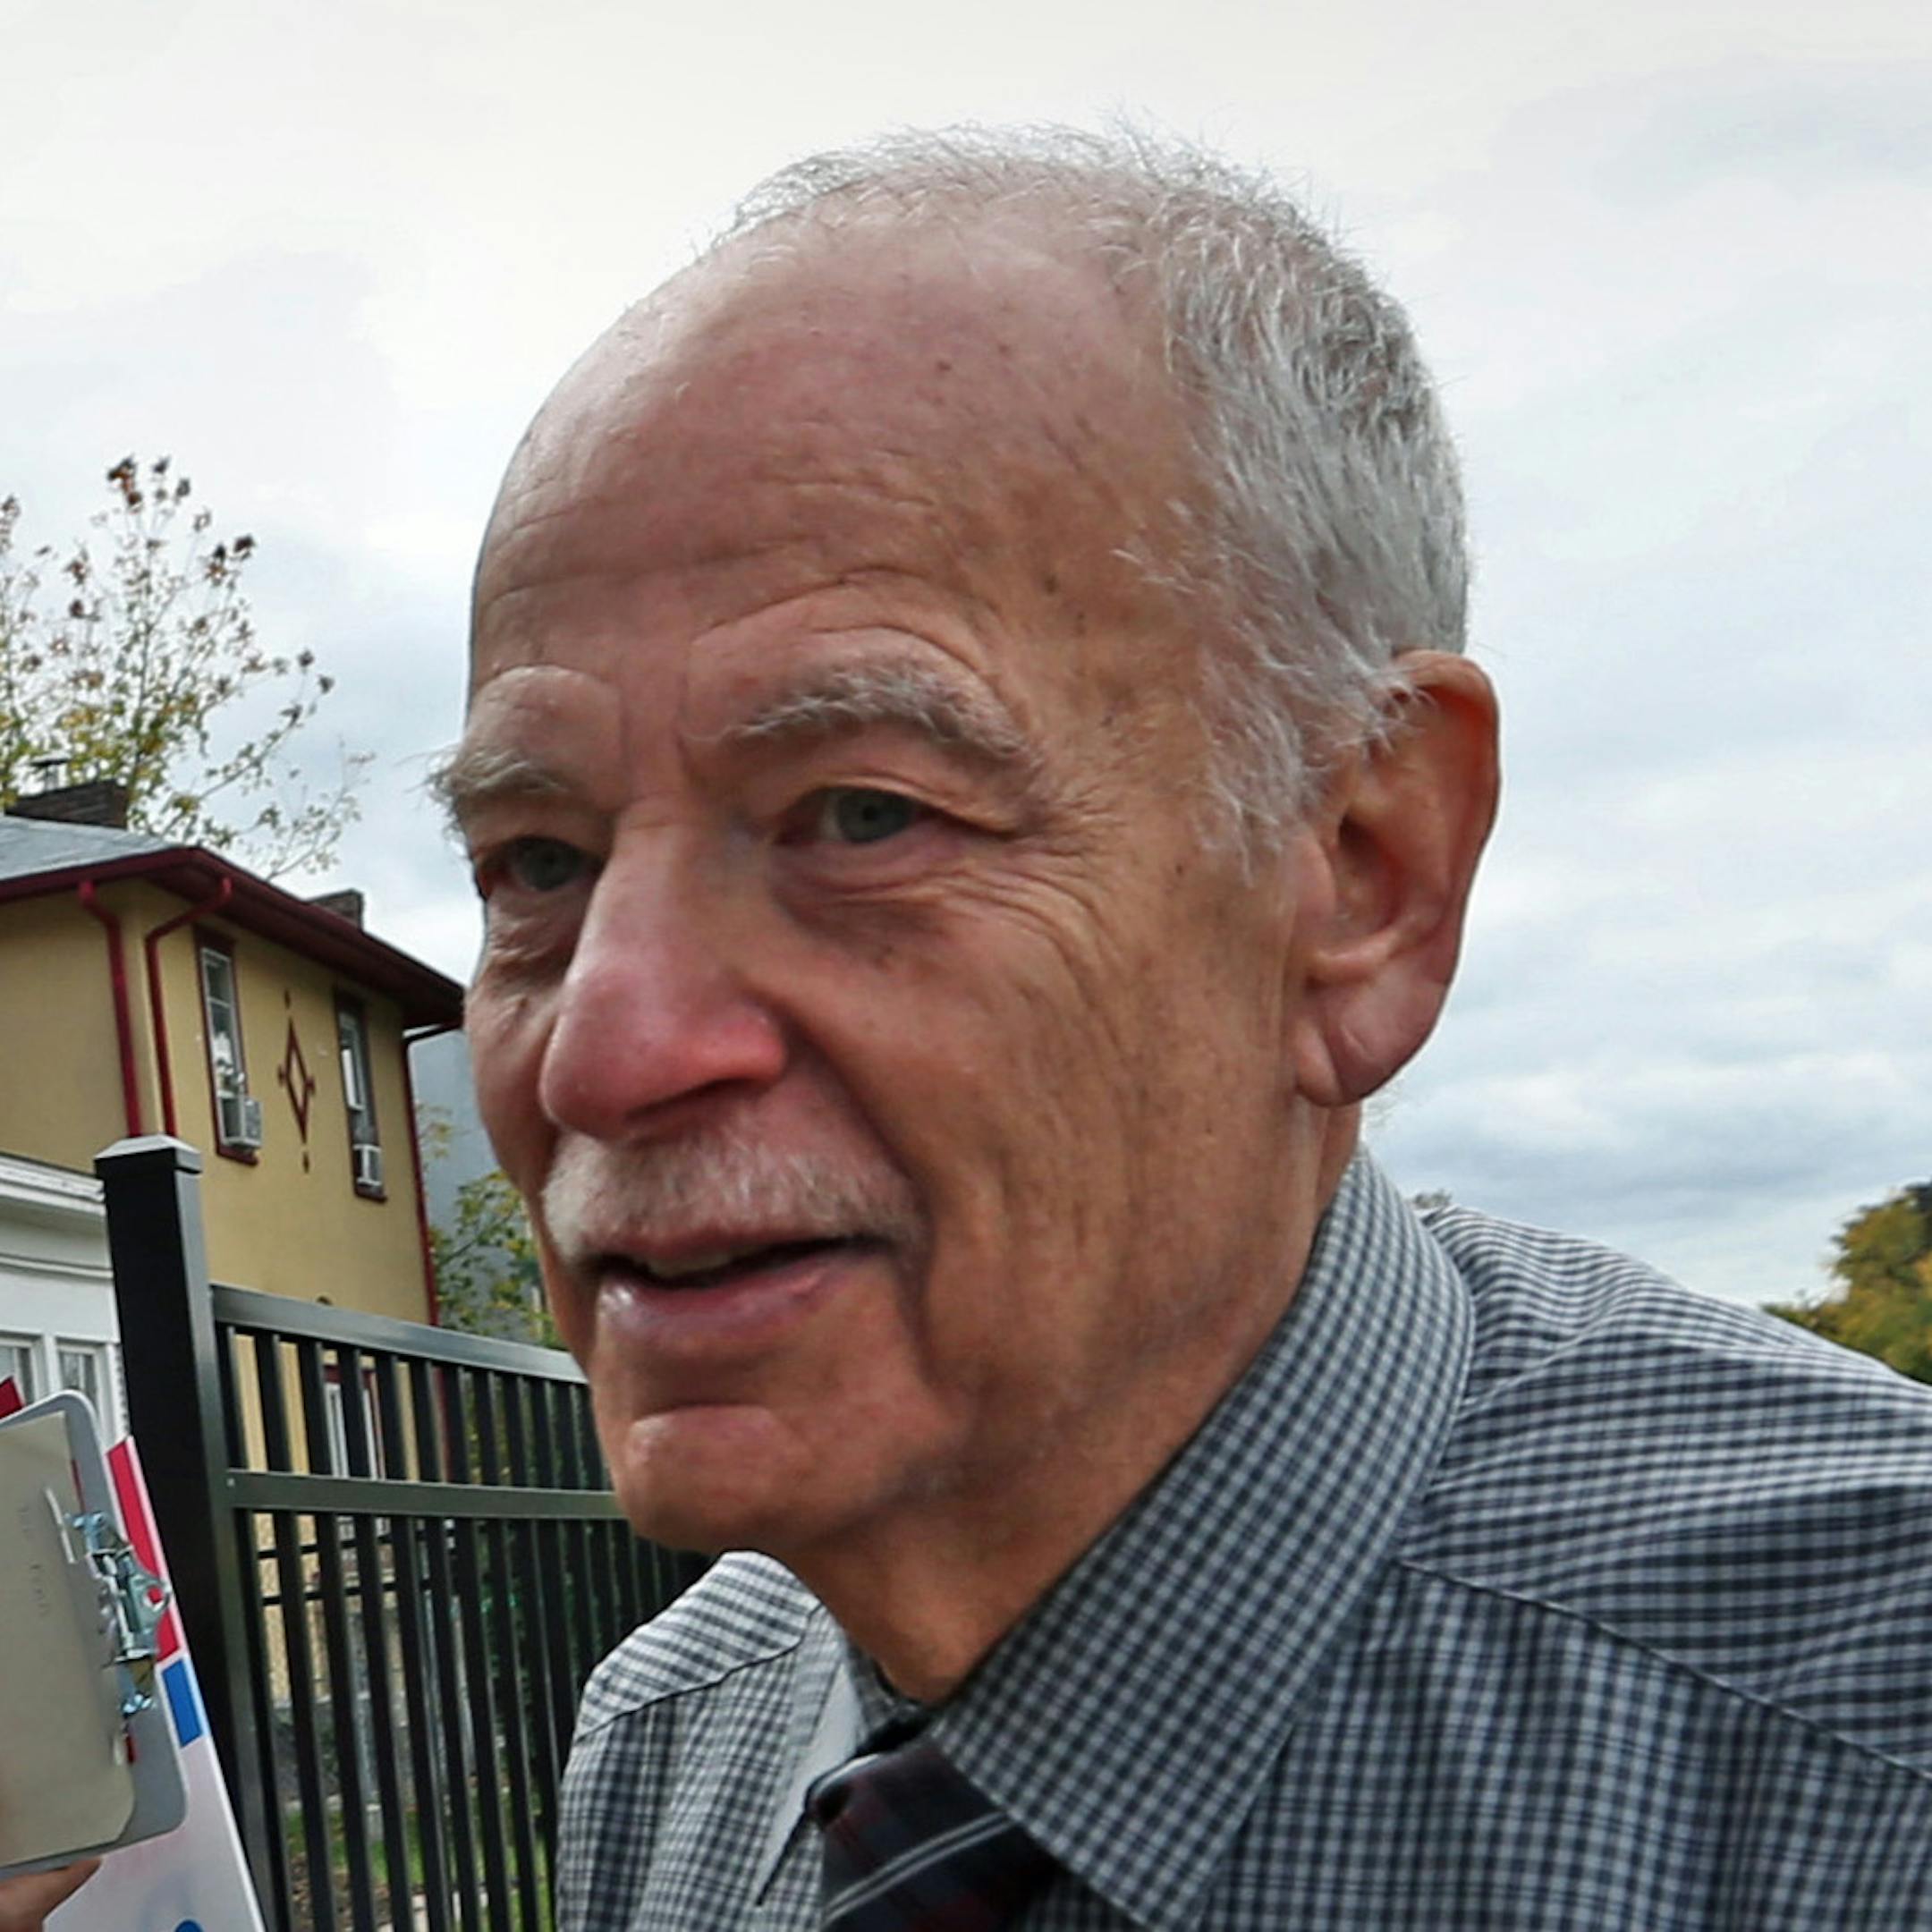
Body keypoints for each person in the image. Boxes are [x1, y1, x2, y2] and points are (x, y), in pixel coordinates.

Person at [444, 127, 1932, 1928]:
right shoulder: (671, 1743)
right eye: (537, 859)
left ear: (1362, 871)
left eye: (862, 816)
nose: (604, 1057)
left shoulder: (1867, 1748)